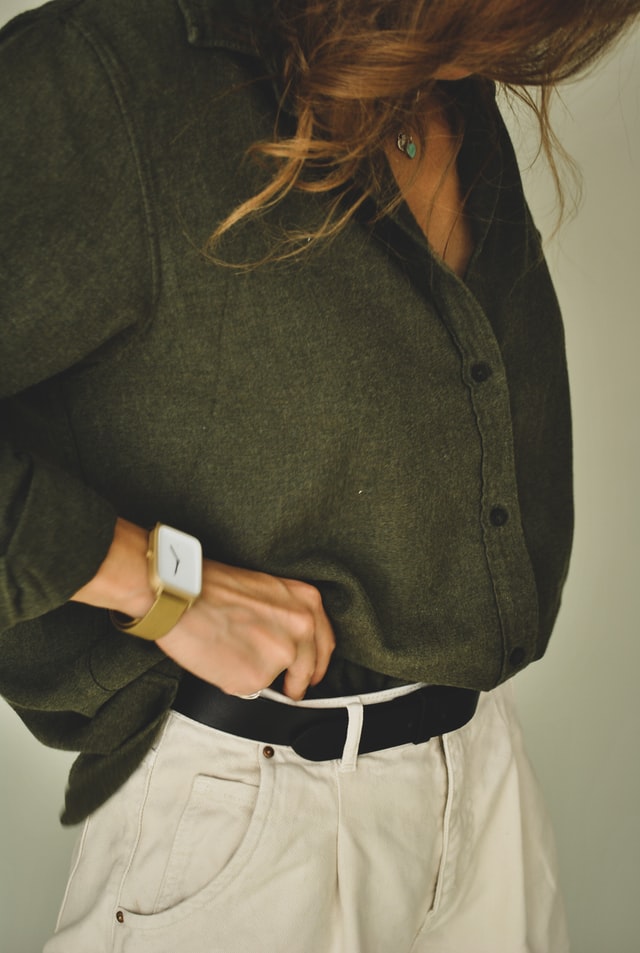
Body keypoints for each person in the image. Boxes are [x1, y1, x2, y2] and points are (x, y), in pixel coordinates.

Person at [1, 0, 639, 950]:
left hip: (484, 792)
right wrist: (169, 590)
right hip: (256, 823)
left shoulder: (443, 72)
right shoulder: (111, 73)